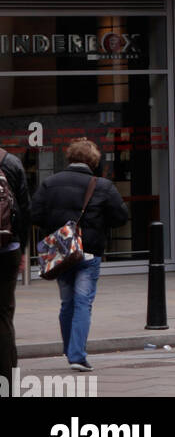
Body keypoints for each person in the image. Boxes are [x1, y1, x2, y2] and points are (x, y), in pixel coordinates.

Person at [29, 139, 129, 372]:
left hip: (61, 254)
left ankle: (70, 349)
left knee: (67, 302)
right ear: (94, 161)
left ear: (70, 157)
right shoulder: (102, 186)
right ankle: (77, 354)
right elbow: (121, 217)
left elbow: (34, 214)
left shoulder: (50, 183)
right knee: (83, 302)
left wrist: (56, 230)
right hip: (88, 252)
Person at [0, 146, 30, 386]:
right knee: (4, 316)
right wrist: (23, 249)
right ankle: (7, 380)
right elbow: (25, 209)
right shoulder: (10, 162)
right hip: (7, 249)